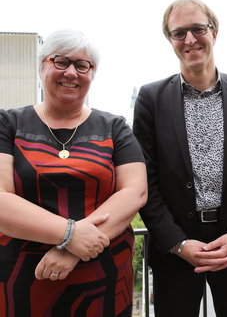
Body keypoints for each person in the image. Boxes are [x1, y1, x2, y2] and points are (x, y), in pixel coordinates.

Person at [133, 0, 227, 317]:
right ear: (169, 40)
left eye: (197, 29)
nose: (190, 40)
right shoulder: (150, 98)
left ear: (215, 32)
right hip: (175, 252)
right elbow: (145, 179)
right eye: (178, 33)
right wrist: (178, 243)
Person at [0, 30, 147, 316]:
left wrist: (70, 249)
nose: (72, 72)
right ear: (42, 65)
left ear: (92, 73)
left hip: (104, 282)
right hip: (23, 282)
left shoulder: (114, 127)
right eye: (61, 61)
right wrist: (69, 234)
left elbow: (135, 192)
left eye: (83, 65)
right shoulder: (8, 123)